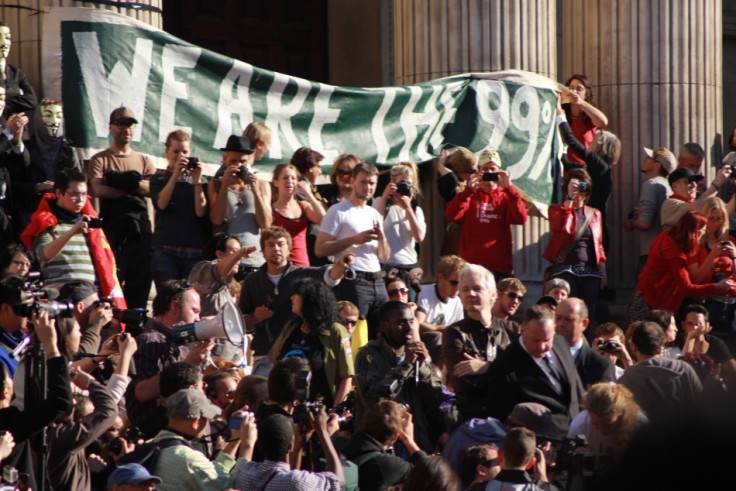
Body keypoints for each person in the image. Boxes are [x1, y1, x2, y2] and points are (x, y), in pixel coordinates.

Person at [240, 226, 352, 375]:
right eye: (270, 245)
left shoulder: (302, 274)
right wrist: (254, 318)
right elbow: (241, 322)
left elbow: (330, 276)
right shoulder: (251, 281)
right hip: (265, 354)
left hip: (299, 353)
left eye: (280, 244)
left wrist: (340, 265)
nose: (276, 249)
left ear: (289, 249)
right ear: (263, 250)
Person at [21, 169, 124, 308]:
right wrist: (72, 231)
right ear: (58, 193)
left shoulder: (91, 224)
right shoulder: (47, 222)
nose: (80, 200)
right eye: (74, 195)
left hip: (93, 297)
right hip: (61, 298)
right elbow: (43, 255)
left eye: (83, 194)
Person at [126, 280, 214, 438]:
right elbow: (142, 392)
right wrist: (187, 364)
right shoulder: (151, 340)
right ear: (174, 306)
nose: (198, 318)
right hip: (155, 437)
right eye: (194, 310)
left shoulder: (179, 346)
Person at [354, 301, 443, 452]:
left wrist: (422, 367)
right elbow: (373, 400)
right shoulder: (368, 355)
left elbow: (437, 396)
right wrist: (405, 366)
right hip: (381, 443)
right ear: (385, 325)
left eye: (411, 321)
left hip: (416, 438)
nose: (409, 328)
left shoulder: (417, 353)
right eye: (401, 323)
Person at [485, 305, 584, 438]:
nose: (542, 347)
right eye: (536, 340)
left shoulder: (560, 343)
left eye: (547, 340)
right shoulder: (504, 368)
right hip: (542, 446)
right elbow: (499, 421)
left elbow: (576, 390)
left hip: (577, 438)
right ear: (522, 330)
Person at [315, 161, 390, 328]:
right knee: (354, 336)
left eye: (372, 183)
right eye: (363, 182)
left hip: (378, 279)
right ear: (353, 181)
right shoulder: (337, 211)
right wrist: (354, 240)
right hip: (353, 280)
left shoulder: (374, 214)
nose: (367, 187)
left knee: (383, 334)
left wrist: (382, 239)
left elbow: (384, 256)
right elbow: (319, 249)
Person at [626, 211, 736, 322]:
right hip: (650, 303)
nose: (701, 238)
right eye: (702, 233)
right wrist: (717, 287)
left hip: (650, 298)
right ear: (694, 233)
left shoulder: (667, 236)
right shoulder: (673, 251)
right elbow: (687, 288)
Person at [443, 264, 516, 421]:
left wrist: (486, 367)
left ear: (492, 293)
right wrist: (506, 370)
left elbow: (524, 375)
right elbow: (468, 386)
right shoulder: (454, 333)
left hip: (512, 418)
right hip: (474, 420)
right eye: (465, 289)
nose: (470, 293)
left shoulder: (513, 330)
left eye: (477, 288)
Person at [268, 278, 354, 409]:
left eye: (296, 294)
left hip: (320, 409)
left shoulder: (335, 331)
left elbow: (346, 375)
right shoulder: (291, 327)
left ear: (309, 299)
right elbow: (274, 364)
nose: (291, 297)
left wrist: (336, 412)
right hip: (285, 408)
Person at [445, 148, 528, 281]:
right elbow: (452, 215)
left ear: (500, 172)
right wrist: (468, 191)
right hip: (471, 265)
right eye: (485, 169)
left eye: (493, 169)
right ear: (479, 171)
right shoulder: (470, 194)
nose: (489, 172)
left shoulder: (506, 196)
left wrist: (510, 188)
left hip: (499, 267)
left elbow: (521, 218)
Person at [151, 389, 251, 490]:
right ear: (196, 422)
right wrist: (247, 444)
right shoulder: (189, 460)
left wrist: (235, 439)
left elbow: (215, 475)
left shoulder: (154, 444)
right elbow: (232, 486)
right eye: (206, 418)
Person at [543, 168, 606, 324]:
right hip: (566, 269)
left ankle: (586, 345)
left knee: (587, 315)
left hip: (591, 272)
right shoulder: (557, 210)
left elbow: (598, 244)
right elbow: (560, 228)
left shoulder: (595, 213)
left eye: (583, 188)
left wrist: (604, 271)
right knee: (568, 312)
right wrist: (569, 199)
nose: (580, 192)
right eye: (576, 187)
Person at [556, 96, 620, 250]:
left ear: (601, 145)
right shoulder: (597, 168)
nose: (591, 141)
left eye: (595, 139)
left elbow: (573, 142)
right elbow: (570, 165)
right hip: (591, 226)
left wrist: (560, 117)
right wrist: (563, 151)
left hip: (593, 228)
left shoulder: (600, 165)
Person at [149, 130, 207, 290]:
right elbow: (161, 204)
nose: (180, 156)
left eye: (185, 152)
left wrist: (197, 182)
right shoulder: (159, 178)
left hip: (193, 251)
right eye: (176, 151)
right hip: (166, 249)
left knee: (189, 299)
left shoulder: (199, 180)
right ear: (167, 152)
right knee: (167, 300)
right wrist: (175, 175)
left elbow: (200, 211)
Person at [234, 409, 345, 490]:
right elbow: (337, 480)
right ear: (289, 446)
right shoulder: (298, 482)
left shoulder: (244, 472)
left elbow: (287, 474)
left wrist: (297, 446)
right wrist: (322, 432)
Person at [47, 368, 118, 491]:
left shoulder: (61, 437)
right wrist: (90, 383)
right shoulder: (62, 437)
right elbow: (109, 411)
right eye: (90, 418)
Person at [207, 134, 271, 272]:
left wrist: (255, 190)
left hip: (255, 258)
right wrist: (225, 185)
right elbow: (216, 220)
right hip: (228, 260)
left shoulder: (262, 185)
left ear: (249, 161)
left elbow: (266, 223)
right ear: (225, 160)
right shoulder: (216, 185)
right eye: (233, 161)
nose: (238, 166)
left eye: (242, 162)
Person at [12, 99, 79, 229]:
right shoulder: (25, 149)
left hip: (62, 216)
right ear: (38, 119)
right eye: (48, 115)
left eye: (58, 116)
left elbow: (79, 181)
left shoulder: (68, 151)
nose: (54, 121)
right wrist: (36, 187)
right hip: (32, 215)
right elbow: (12, 183)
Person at [618, 321, 703, 420]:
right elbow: (701, 404)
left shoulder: (625, 380)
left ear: (633, 347)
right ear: (662, 345)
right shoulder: (684, 369)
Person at [342, 401, 427, 491]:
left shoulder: (342, 445)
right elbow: (429, 474)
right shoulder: (387, 464)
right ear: (394, 438)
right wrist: (409, 440)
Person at [687, 196, 736, 334]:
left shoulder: (730, 240)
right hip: (708, 303)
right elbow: (696, 278)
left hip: (731, 302)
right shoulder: (695, 244)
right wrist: (712, 255)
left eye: (719, 219)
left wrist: (734, 257)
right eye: (711, 219)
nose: (715, 223)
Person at [373, 161, 426, 288]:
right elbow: (374, 224)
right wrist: (385, 197)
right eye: (401, 184)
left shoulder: (416, 210)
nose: (405, 188)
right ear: (392, 185)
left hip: (409, 266)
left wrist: (408, 208)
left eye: (409, 185)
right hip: (386, 264)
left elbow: (419, 237)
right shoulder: (380, 202)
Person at [624, 147, 675, 272]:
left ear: (657, 165)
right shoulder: (670, 187)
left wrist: (631, 222)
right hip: (665, 251)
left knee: (643, 291)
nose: (645, 159)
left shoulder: (651, 185)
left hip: (651, 253)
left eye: (649, 158)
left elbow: (644, 222)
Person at [567, 383, 647, 462]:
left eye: (607, 425)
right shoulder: (579, 426)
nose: (602, 431)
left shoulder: (639, 426)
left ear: (621, 414)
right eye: (596, 424)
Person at [271, 162, 325, 266]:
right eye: (285, 178)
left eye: (293, 178)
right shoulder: (271, 209)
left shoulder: (303, 205)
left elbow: (322, 218)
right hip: (280, 265)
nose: (290, 181)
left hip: (302, 264)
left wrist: (308, 193)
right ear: (276, 182)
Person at [555, 298, 615, 389]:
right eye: (558, 318)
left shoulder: (600, 366)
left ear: (584, 324)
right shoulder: (542, 355)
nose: (561, 324)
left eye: (568, 319)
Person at [291, 146, 330, 266]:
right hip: (310, 241)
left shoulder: (311, 187)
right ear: (310, 168)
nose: (320, 171)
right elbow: (318, 216)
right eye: (318, 167)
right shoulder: (301, 188)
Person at [434, 147, 478, 256]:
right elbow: (450, 176)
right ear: (460, 170)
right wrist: (440, 165)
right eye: (472, 171)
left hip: (470, 233)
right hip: (458, 234)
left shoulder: (468, 184)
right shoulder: (452, 183)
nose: (474, 174)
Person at [0, 85, 29, 243]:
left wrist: (17, 140)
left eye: (3, 98)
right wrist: (8, 134)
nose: (1, 103)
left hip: (6, 206)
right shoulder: (5, 132)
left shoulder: (4, 128)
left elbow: (22, 166)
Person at [560, 74, 608, 166]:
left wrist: (581, 102)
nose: (574, 91)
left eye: (579, 89)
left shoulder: (589, 116)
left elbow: (603, 122)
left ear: (586, 93)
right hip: (563, 170)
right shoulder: (561, 113)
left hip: (584, 170)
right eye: (571, 88)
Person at [660, 166, 728, 230]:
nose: (694, 185)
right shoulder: (669, 204)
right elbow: (697, 208)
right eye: (689, 181)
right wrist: (717, 183)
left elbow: (723, 213)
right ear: (675, 186)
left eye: (695, 181)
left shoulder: (695, 203)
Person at [677, 304, 736, 376]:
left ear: (706, 325)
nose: (694, 328)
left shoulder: (715, 343)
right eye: (689, 324)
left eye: (698, 324)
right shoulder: (675, 342)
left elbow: (732, 370)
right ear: (683, 325)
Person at [484, 428, 550, 491]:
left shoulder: (481, 488)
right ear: (531, 462)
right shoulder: (543, 488)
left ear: (499, 455)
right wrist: (543, 478)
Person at [0, 22, 36, 116]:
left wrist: (5, 103)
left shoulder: (17, 73)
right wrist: (17, 96)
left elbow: (31, 101)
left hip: (18, 128)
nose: (4, 43)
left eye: (7, 38)